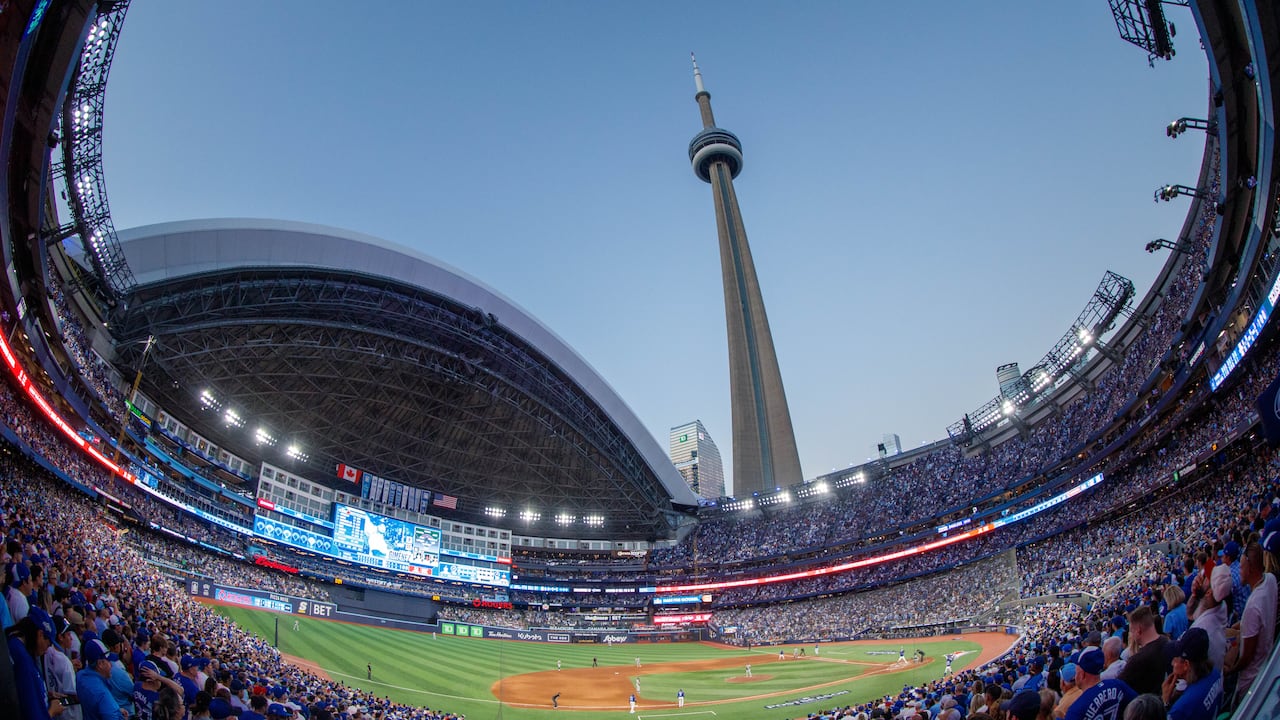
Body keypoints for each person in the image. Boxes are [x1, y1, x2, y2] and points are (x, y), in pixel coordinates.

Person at [1225, 541, 1277, 702]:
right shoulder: (1270, 579)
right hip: (1267, 658)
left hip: (1251, 680)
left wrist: (1229, 670)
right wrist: (1241, 624)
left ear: (1251, 568)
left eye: (1241, 567)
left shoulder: (1252, 607)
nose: (1239, 572)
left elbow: (1246, 657)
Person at [1162, 628, 1221, 720]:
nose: (1172, 663)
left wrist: (1165, 702)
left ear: (1186, 664)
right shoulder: (1216, 674)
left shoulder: (1180, 709)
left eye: (1175, 659)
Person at [1064, 646, 1136, 720]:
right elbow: (1139, 706)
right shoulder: (1118, 684)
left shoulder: (1075, 711)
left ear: (1081, 674)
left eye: (1076, 670)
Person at [1119, 606, 1170, 696]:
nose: (1131, 635)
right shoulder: (1166, 641)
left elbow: (1119, 686)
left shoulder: (1137, 660)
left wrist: (1131, 653)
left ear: (1138, 630)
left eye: (1132, 631)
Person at [78, 639, 125, 720]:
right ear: (100, 664)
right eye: (108, 661)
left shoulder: (80, 676)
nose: (111, 664)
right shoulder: (102, 694)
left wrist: (117, 710)